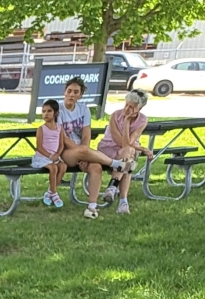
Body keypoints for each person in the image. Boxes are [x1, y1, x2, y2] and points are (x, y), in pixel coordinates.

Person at [58, 77, 124, 221]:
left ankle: (92, 207)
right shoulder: (58, 109)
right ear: (64, 92)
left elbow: (86, 135)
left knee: (96, 167)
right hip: (63, 152)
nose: (71, 94)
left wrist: (84, 154)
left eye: (76, 92)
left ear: (80, 95)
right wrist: (81, 153)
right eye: (69, 91)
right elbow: (62, 138)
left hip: (82, 151)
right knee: (83, 151)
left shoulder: (84, 109)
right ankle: (116, 164)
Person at [95, 89, 149, 215]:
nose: (127, 109)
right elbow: (123, 143)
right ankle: (122, 201)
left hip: (126, 152)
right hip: (107, 149)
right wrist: (126, 122)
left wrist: (127, 123)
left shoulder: (142, 120)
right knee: (128, 162)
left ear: (139, 109)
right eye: (126, 105)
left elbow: (128, 143)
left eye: (131, 107)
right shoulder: (115, 115)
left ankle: (113, 188)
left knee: (127, 158)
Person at [32, 99, 66, 208]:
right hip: (42, 157)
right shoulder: (41, 129)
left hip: (54, 157)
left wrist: (57, 154)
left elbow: (61, 145)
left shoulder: (60, 128)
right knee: (53, 168)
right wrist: (50, 156)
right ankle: (54, 194)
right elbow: (39, 147)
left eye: (49, 111)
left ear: (56, 113)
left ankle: (49, 192)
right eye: (43, 111)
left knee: (63, 166)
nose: (46, 114)